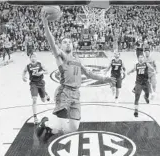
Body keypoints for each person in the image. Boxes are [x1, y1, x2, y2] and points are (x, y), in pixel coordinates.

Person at [36, 10, 116, 139]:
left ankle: (50, 129)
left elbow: (89, 74)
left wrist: (105, 78)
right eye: (64, 42)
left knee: (73, 128)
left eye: (69, 41)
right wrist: (46, 25)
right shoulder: (61, 56)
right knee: (61, 117)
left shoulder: (78, 59)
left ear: (73, 45)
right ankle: (46, 122)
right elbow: (51, 43)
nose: (68, 43)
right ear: (61, 46)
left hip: (76, 94)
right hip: (64, 91)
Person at [22, 53, 50, 124]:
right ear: (30, 58)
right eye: (32, 57)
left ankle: (45, 94)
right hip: (33, 84)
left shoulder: (40, 64)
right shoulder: (28, 66)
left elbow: (47, 71)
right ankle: (35, 117)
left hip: (40, 83)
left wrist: (41, 72)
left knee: (43, 100)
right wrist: (23, 76)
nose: (33, 58)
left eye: (34, 57)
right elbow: (24, 71)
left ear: (36, 58)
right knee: (34, 99)